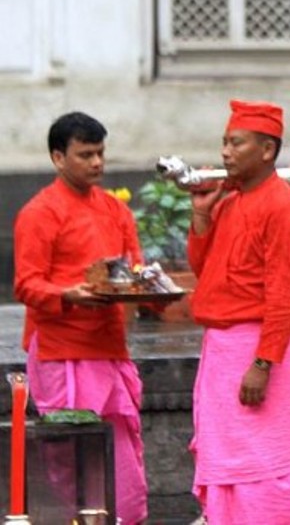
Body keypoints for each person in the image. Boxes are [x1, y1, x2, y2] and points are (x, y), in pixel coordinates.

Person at [14, 111, 148, 524]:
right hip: (62, 351)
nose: (97, 163)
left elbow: (135, 272)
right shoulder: (40, 212)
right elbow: (26, 284)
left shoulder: (115, 210)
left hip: (109, 347)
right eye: (85, 154)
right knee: (70, 458)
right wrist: (68, 295)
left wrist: (148, 291)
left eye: (100, 153)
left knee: (123, 459)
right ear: (58, 158)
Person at [187, 100, 290, 524]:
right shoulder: (229, 202)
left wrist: (263, 362)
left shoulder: (284, 207)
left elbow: (286, 296)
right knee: (229, 469)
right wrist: (202, 216)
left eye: (235, 142)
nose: (224, 152)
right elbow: (209, 276)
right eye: (224, 142)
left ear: (266, 150)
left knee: (264, 469)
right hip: (224, 352)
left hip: (258, 349)